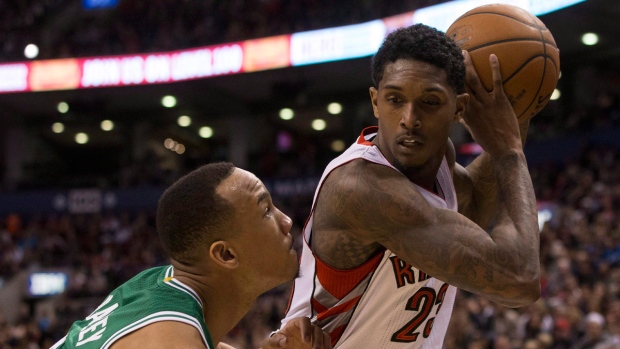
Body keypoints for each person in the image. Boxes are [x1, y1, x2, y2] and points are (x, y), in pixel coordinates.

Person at [281, 23, 541, 348]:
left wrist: (519, 111)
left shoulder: (437, 162)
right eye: (395, 99)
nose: (409, 118)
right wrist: (508, 152)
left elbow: (472, 210)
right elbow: (520, 280)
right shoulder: (360, 188)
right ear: (375, 102)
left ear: (459, 108)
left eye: (430, 102)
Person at [51, 162, 332, 349]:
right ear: (225, 254)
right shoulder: (171, 336)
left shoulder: (159, 287)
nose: (286, 221)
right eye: (266, 212)